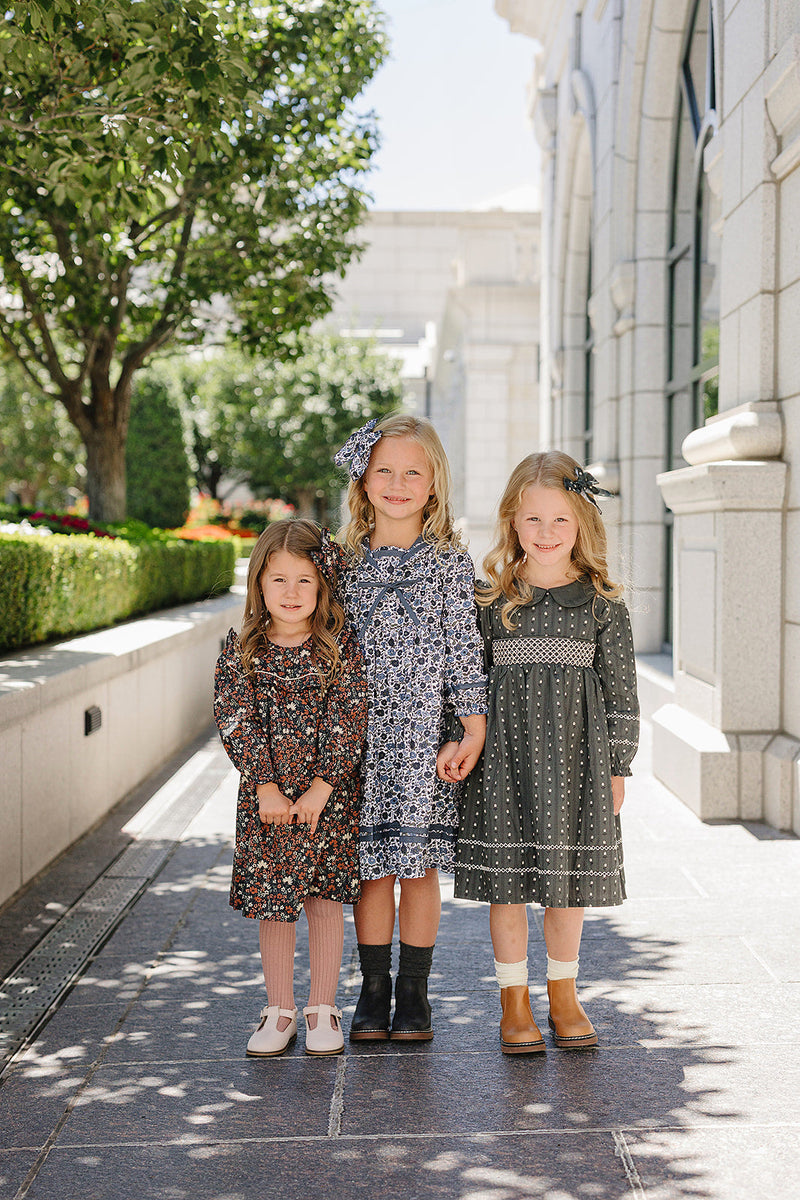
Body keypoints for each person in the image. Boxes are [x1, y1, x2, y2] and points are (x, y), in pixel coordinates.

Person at [453, 452, 639, 1053]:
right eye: (533, 520)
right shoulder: (489, 600)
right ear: (512, 523)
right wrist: (462, 740)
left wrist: (619, 763)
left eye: (560, 520)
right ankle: (514, 1000)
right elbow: (469, 682)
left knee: (567, 886)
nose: (547, 533)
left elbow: (621, 690)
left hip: (576, 764)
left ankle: (564, 992)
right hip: (503, 762)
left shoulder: (603, 604)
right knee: (508, 885)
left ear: (582, 523)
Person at [334, 413, 487, 1041]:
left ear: (433, 485)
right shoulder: (340, 563)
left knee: (418, 867)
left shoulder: (449, 564)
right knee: (373, 869)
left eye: (412, 473)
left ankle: (415, 994)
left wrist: (471, 728)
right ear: (364, 481)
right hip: (362, 741)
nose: (397, 483)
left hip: (426, 738)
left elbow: (464, 649)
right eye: (385, 471)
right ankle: (373, 991)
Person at [213, 519, 368, 1058]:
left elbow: (349, 717)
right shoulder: (243, 651)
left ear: (323, 586)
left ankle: (321, 1006)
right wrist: (265, 785)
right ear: (258, 584)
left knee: (324, 900)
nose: (291, 593)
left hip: (328, 798)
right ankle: (279, 1008)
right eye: (278, 580)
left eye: (305, 581)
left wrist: (323, 787)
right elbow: (235, 718)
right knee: (273, 905)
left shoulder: (339, 649)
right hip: (267, 803)